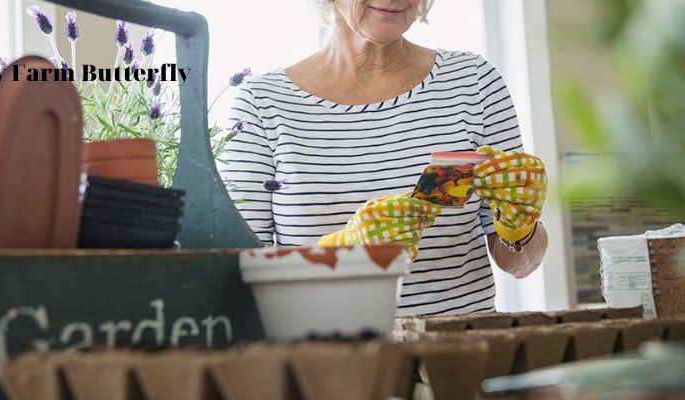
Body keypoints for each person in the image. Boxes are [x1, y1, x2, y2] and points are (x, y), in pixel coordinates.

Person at [217, 0, 548, 316]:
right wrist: (341, 252)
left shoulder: (474, 83)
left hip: (461, 360)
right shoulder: (261, 105)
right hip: (326, 363)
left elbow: (521, 264)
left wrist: (519, 227)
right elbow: (235, 282)